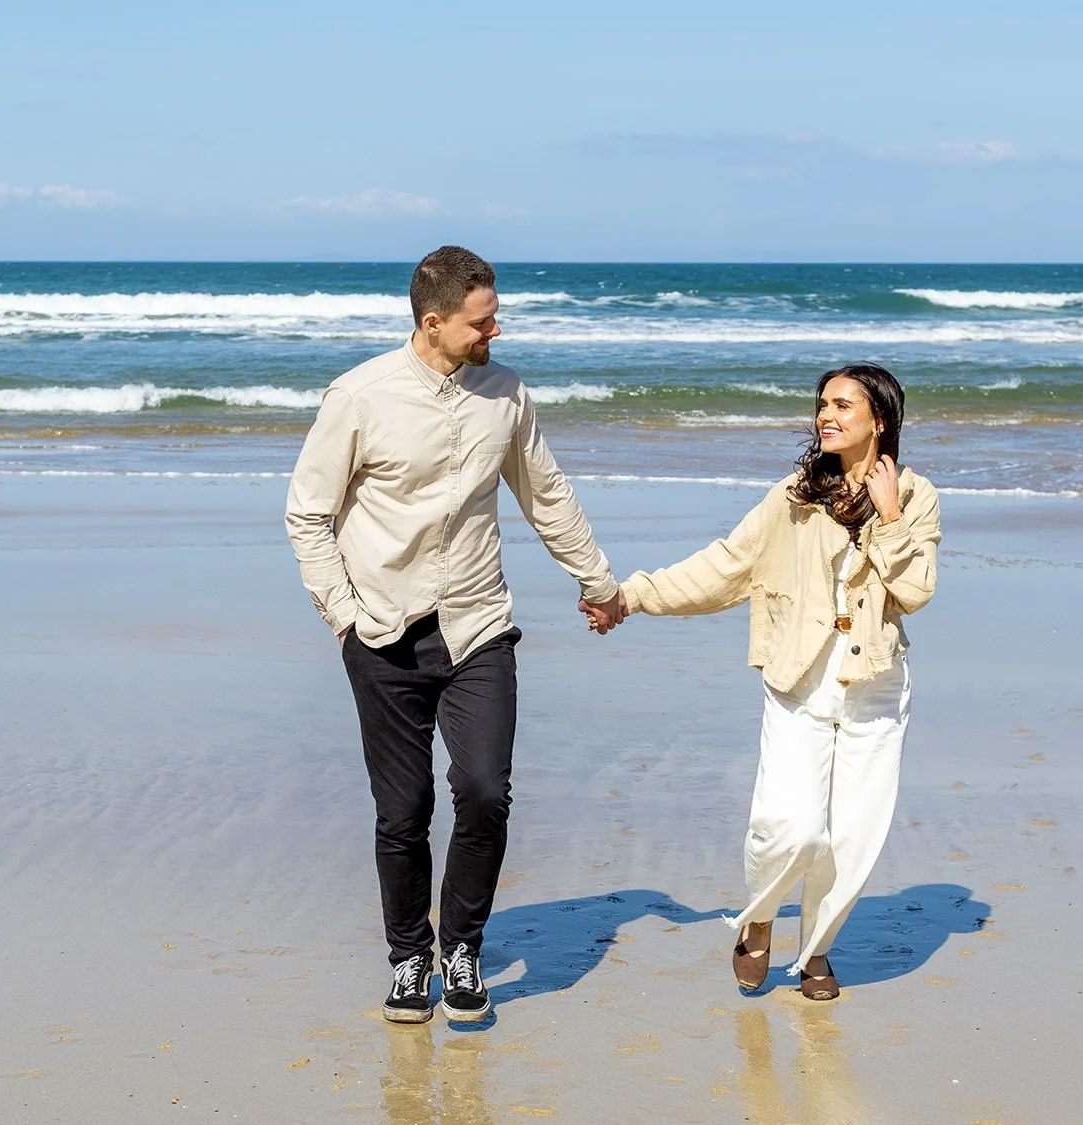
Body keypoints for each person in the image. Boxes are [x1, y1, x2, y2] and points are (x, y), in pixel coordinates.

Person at [286, 246, 626, 1024]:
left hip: (478, 626)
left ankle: (461, 944)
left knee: (483, 792)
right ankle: (410, 958)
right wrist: (341, 613)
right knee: (401, 811)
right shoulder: (360, 396)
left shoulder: (505, 396)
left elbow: (547, 495)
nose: (495, 330)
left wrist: (597, 581)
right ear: (433, 322)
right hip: (381, 632)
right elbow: (308, 514)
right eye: (481, 321)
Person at [599, 363, 940, 1001]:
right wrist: (634, 595)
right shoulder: (792, 496)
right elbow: (725, 565)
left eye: (843, 405)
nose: (827, 416)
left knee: (852, 837)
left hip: (874, 685)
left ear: (880, 420)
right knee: (791, 825)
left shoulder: (915, 495)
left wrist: (890, 517)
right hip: (800, 681)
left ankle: (816, 953)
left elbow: (916, 590)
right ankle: (759, 916)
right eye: (823, 404)